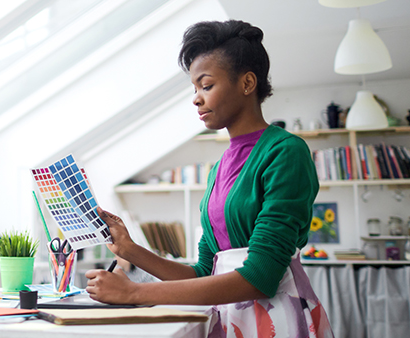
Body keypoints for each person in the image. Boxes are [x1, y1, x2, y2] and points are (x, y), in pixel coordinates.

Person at [84, 20, 333, 338]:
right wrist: (131, 250)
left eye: (206, 85)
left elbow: (260, 277)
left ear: (246, 83)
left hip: (275, 320)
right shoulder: (219, 169)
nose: (196, 98)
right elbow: (203, 272)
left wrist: (133, 294)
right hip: (227, 317)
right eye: (195, 88)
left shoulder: (285, 152)